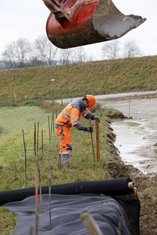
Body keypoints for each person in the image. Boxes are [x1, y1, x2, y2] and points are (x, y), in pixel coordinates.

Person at [55, 95, 100, 168]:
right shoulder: (75, 108)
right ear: (86, 102)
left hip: (64, 126)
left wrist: (93, 117)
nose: (87, 108)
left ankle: (61, 166)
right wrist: (86, 129)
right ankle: (65, 167)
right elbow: (75, 124)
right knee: (66, 147)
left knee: (64, 146)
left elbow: (86, 114)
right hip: (61, 126)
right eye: (88, 106)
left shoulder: (81, 104)